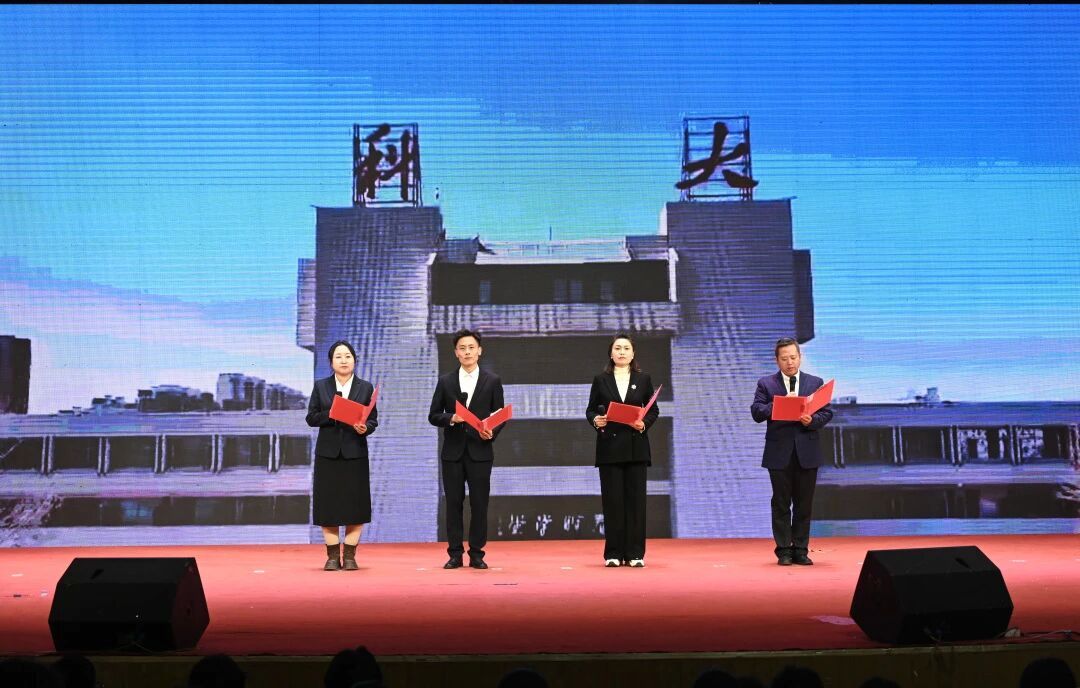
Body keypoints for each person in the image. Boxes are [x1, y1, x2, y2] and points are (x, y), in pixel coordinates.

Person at [751, 337, 833, 566]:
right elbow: (756, 412)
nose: (790, 362)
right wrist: (778, 405)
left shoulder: (814, 382)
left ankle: (801, 550)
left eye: (793, 357)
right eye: (785, 358)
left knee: (804, 505)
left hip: (807, 452)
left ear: (800, 357)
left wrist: (812, 420)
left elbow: (827, 413)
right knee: (780, 503)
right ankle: (784, 551)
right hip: (779, 453)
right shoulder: (766, 384)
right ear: (777, 360)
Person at [428, 329, 506, 570]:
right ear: (456, 353)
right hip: (453, 453)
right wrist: (452, 418)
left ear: (479, 351)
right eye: (462, 348)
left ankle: (477, 553)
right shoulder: (446, 381)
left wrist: (491, 431)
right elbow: (433, 415)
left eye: (471, 347)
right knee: (453, 504)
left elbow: (500, 415)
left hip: (480, 451)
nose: (467, 352)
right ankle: (454, 553)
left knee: (479, 505)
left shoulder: (492, 381)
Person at [586, 333, 660, 568]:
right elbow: (590, 410)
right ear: (611, 353)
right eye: (617, 348)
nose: (621, 352)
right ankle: (614, 553)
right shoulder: (601, 379)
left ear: (633, 353)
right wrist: (596, 420)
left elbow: (653, 410)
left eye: (626, 348)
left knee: (636, 503)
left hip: (636, 447)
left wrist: (643, 423)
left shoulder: (643, 379)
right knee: (613, 502)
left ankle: (635, 553)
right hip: (610, 448)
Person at [306, 340, 378, 571]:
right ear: (331, 362)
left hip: (355, 453)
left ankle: (349, 556)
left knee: (355, 505)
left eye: (348, 356)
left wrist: (365, 428)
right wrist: (333, 413)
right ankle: (331, 556)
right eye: (338, 356)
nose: (344, 360)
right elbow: (311, 418)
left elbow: (373, 420)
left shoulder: (365, 387)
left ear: (354, 360)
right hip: (327, 454)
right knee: (328, 505)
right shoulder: (321, 386)